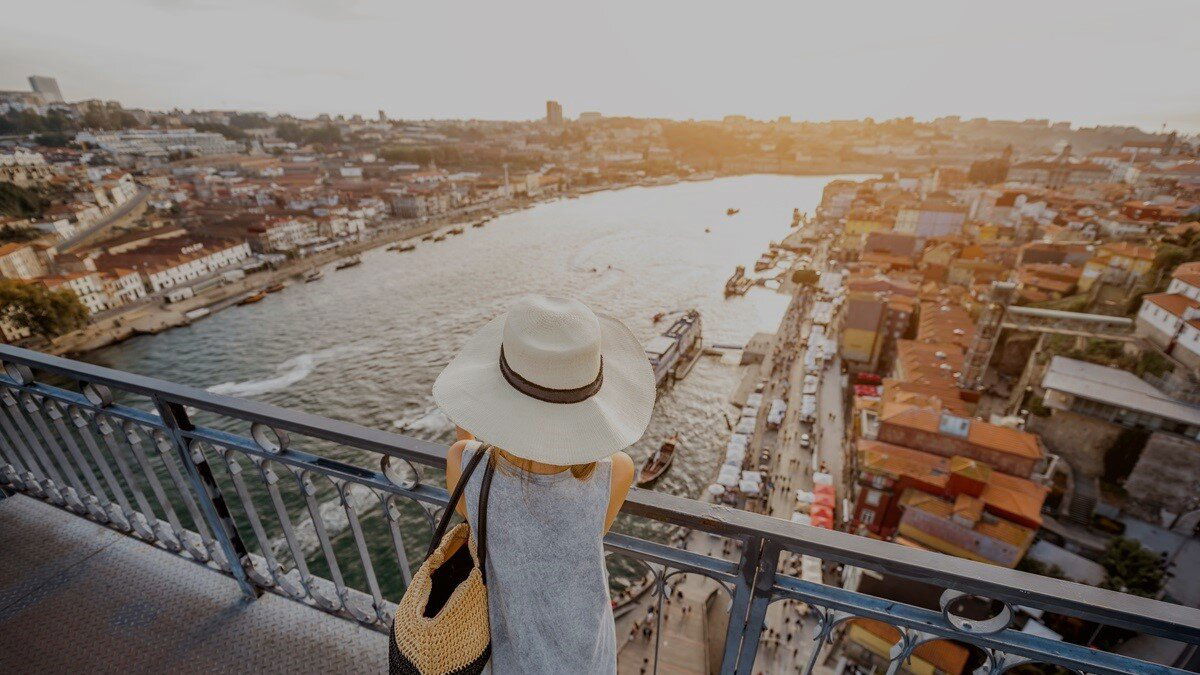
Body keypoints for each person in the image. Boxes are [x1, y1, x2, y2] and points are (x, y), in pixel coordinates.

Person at [437, 295, 656, 674]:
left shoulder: (465, 464)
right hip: (586, 653)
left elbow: (470, 441)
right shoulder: (615, 472)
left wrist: (476, 399)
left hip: (512, 649)